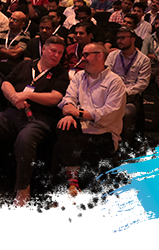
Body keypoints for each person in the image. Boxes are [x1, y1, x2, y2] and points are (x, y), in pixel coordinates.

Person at [0, 36, 69, 208]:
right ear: (44, 49)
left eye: (60, 53)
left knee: (25, 139)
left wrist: (28, 95)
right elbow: (6, 83)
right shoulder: (26, 65)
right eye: (53, 51)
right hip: (13, 112)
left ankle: (23, 189)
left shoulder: (61, 73)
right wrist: (14, 98)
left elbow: (55, 98)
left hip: (40, 119)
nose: (56, 55)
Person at [52, 43, 126, 204]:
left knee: (62, 145)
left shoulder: (115, 82)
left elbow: (109, 114)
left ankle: (66, 190)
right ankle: (73, 188)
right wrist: (68, 114)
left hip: (103, 132)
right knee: (64, 128)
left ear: (100, 56)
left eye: (86, 55)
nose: (82, 58)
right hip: (79, 127)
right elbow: (69, 98)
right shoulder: (79, 76)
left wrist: (78, 113)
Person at [105, 27, 151, 151]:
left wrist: (123, 92)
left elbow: (142, 84)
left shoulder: (143, 60)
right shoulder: (112, 56)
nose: (119, 41)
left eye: (122, 38)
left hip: (130, 96)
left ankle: (124, 147)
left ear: (132, 40)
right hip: (111, 93)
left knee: (128, 113)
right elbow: (106, 75)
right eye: (118, 38)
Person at [0, 11, 31, 76]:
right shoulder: (1, 34)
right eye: (10, 18)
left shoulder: (25, 38)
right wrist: (9, 53)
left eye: (15, 20)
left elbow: (15, 54)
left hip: (12, 68)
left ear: (22, 24)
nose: (11, 21)